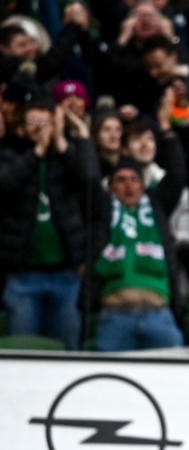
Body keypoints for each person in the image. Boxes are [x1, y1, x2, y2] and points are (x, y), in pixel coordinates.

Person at [0, 99, 99, 351]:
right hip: (23, 275)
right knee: (22, 353)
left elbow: (89, 179)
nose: (39, 127)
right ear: (21, 127)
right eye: (33, 121)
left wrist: (65, 143)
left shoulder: (67, 157)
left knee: (68, 352)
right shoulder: (9, 155)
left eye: (45, 121)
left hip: (65, 275)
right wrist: (38, 153)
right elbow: (6, 185)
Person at [90, 97, 187, 352]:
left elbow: (177, 174)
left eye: (134, 179)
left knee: (178, 382)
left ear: (143, 184)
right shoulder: (103, 209)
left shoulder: (156, 205)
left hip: (159, 315)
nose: (129, 185)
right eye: (120, 180)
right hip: (115, 316)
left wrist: (165, 128)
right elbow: (87, 175)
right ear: (110, 186)